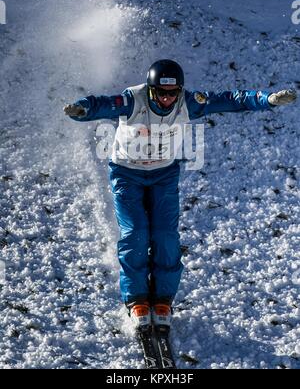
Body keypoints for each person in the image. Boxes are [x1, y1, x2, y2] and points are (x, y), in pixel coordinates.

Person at [64, 59, 297, 331]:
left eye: (172, 93)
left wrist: (266, 99)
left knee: (165, 235)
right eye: (160, 93)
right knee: (135, 233)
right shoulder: (132, 99)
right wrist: (82, 109)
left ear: (179, 90)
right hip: (127, 173)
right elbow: (103, 104)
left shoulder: (190, 102)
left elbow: (231, 100)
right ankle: (136, 298)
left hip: (163, 174)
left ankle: (163, 297)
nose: (166, 99)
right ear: (150, 90)